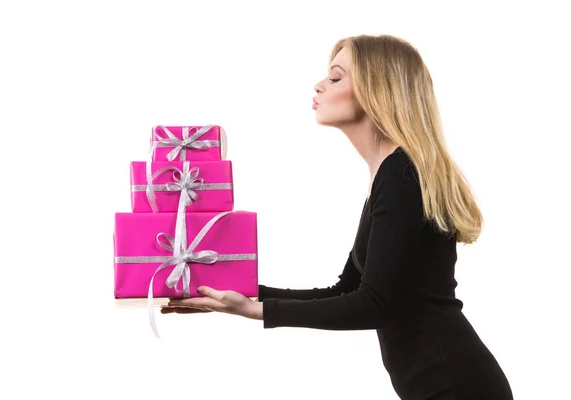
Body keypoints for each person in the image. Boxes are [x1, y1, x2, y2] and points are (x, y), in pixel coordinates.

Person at [162, 34, 514, 400]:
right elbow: (347, 290)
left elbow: (373, 306)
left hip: (456, 385)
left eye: (335, 77)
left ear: (377, 89)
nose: (319, 85)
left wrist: (257, 310)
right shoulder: (390, 173)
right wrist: (238, 294)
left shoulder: (400, 175)